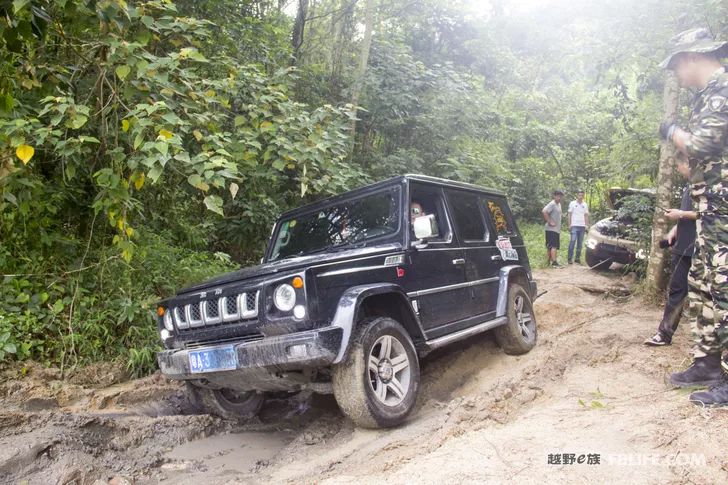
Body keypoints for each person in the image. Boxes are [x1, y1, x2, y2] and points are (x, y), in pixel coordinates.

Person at [659, 28, 728, 406]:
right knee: (704, 285)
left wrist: (672, 131)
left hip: (724, 211)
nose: (677, 77)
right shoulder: (708, 96)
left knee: (724, 290)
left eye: (676, 67)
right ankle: (708, 364)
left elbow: (702, 144)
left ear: (691, 58)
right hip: (710, 209)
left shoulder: (722, 90)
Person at [644, 155, 697, 346]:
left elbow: (712, 214)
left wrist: (680, 214)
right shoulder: (688, 187)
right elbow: (689, 216)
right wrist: (675, 229)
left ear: (689, 164)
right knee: (676, 292)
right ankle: (664, 334)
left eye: (679, 165)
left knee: (707, 298)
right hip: (682, 248)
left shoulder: (709, 185)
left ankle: (707, 348)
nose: (678, 169)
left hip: (702, 251)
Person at [567, 190, 589, 264]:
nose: (580, 197)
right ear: (577, 195)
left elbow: (586, 215)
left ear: (583, 196)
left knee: (580, 243)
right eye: (579, 195)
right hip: (574, 225)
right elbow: (569, 214)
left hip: (582, 226)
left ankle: (577, 258)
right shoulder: (572, 203)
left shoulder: (585, 204)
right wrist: (569, 224)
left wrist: (586, 225)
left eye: (582, 195)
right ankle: (569, 258)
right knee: (572, 241)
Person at [542, 190, 564, 267]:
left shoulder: (558, 204)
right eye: (558, 196)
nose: (559, 198)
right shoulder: (552, 204)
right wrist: (549, 221)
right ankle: (554, 262)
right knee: (554, 246)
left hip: (556, 229)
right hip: (551, 229)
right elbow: (544, 211)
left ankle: (548, 262)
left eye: (560, 196)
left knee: (550, 246)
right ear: (554, 196)